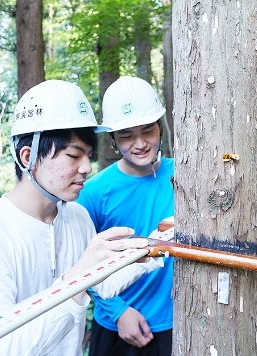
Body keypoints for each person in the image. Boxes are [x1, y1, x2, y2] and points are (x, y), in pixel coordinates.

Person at [0, 80, 162, 355]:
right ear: (28, 157)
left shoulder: (77, 217)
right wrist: (75, 280)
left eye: (88, 155)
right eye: (73, 155)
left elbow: (102, 284)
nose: (86, 168)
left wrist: (154, 247)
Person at [76, 76, 174, 355]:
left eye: (147, 131)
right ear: (113, 139)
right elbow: (79, 261)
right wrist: (118, 312)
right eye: (127, 135)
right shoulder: (93, 192)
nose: (140, 143)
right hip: (116, 327)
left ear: (159, 129)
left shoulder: (184, 175)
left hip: (177, 322)